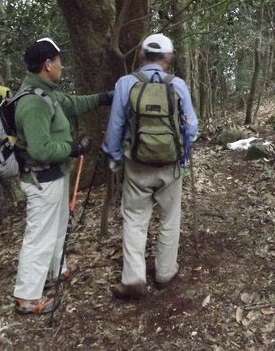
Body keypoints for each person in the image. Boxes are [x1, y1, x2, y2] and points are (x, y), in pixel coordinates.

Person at [13, 37, 113, 315]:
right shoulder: (33, 102)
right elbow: (40, 148)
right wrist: (72, 148)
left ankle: (56, 270)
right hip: (42, 180)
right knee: (40, 236)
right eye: (58, 61)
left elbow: (73, 104)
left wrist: (104, 98)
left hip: (54, 177)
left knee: (57, 226)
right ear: (47, 64)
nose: (62, 65)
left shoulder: (47, 93)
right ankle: (27, 297)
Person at [103, 33, 198, 299]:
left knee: (134, 219)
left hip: (137, 164)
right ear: (168, 58)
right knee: (170, 217)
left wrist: (113, 155)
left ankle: (133, 279)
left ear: (142, 55)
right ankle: (165, 273)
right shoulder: (177, 84)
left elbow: (115, 125)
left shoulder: (125, 83)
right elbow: (192, 127)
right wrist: (183, 150)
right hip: (171, 165)